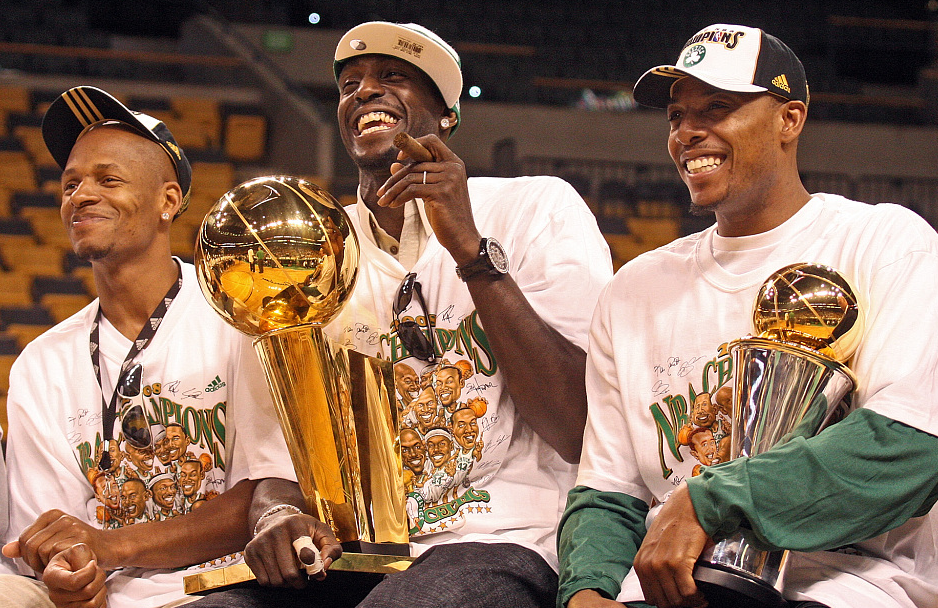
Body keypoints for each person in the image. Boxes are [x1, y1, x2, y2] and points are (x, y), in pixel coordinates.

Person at [193, 20, 612, 608]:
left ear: (448, 115)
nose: (364, 91)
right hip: (351, 555)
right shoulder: (307, 247)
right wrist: (278, 516)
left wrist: (470, 250)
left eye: (393, 76)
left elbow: (575, 425)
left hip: (501, 537)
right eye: (349, 85)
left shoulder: (535, 207)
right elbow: (276, 465)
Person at [557, 23, 938, 608]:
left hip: (845, 579)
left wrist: (709, 501)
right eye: (677, 116)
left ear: (790, 119)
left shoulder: (886, 243)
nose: (688, 132)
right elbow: (609, 490)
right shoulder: (633, 289)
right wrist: (586, 588)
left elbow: (909, 447)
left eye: (718, 108)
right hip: (669, 586)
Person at [0, 86, 295, 608]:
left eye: (108, 179)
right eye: (71, 184)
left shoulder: (243, 318)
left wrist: (110, 547)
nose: (80, 195)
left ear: (169, 201)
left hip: (221, 587)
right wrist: (72, 576)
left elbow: (269, 494)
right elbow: (47, 533)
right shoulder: (40, 364)